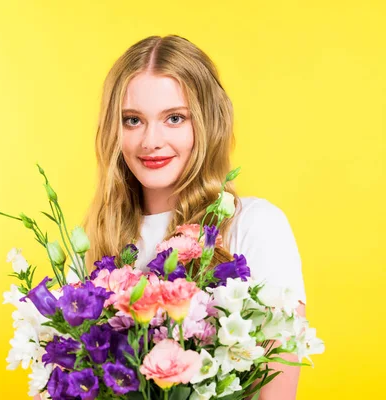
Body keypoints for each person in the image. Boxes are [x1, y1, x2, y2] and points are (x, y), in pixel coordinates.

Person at [79, 35, 307, 399]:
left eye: (174, 118)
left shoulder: (254, 225)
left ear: (207, 124)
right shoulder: (98, 239)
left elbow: (277, 388)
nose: (151, 140)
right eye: (133, 120)